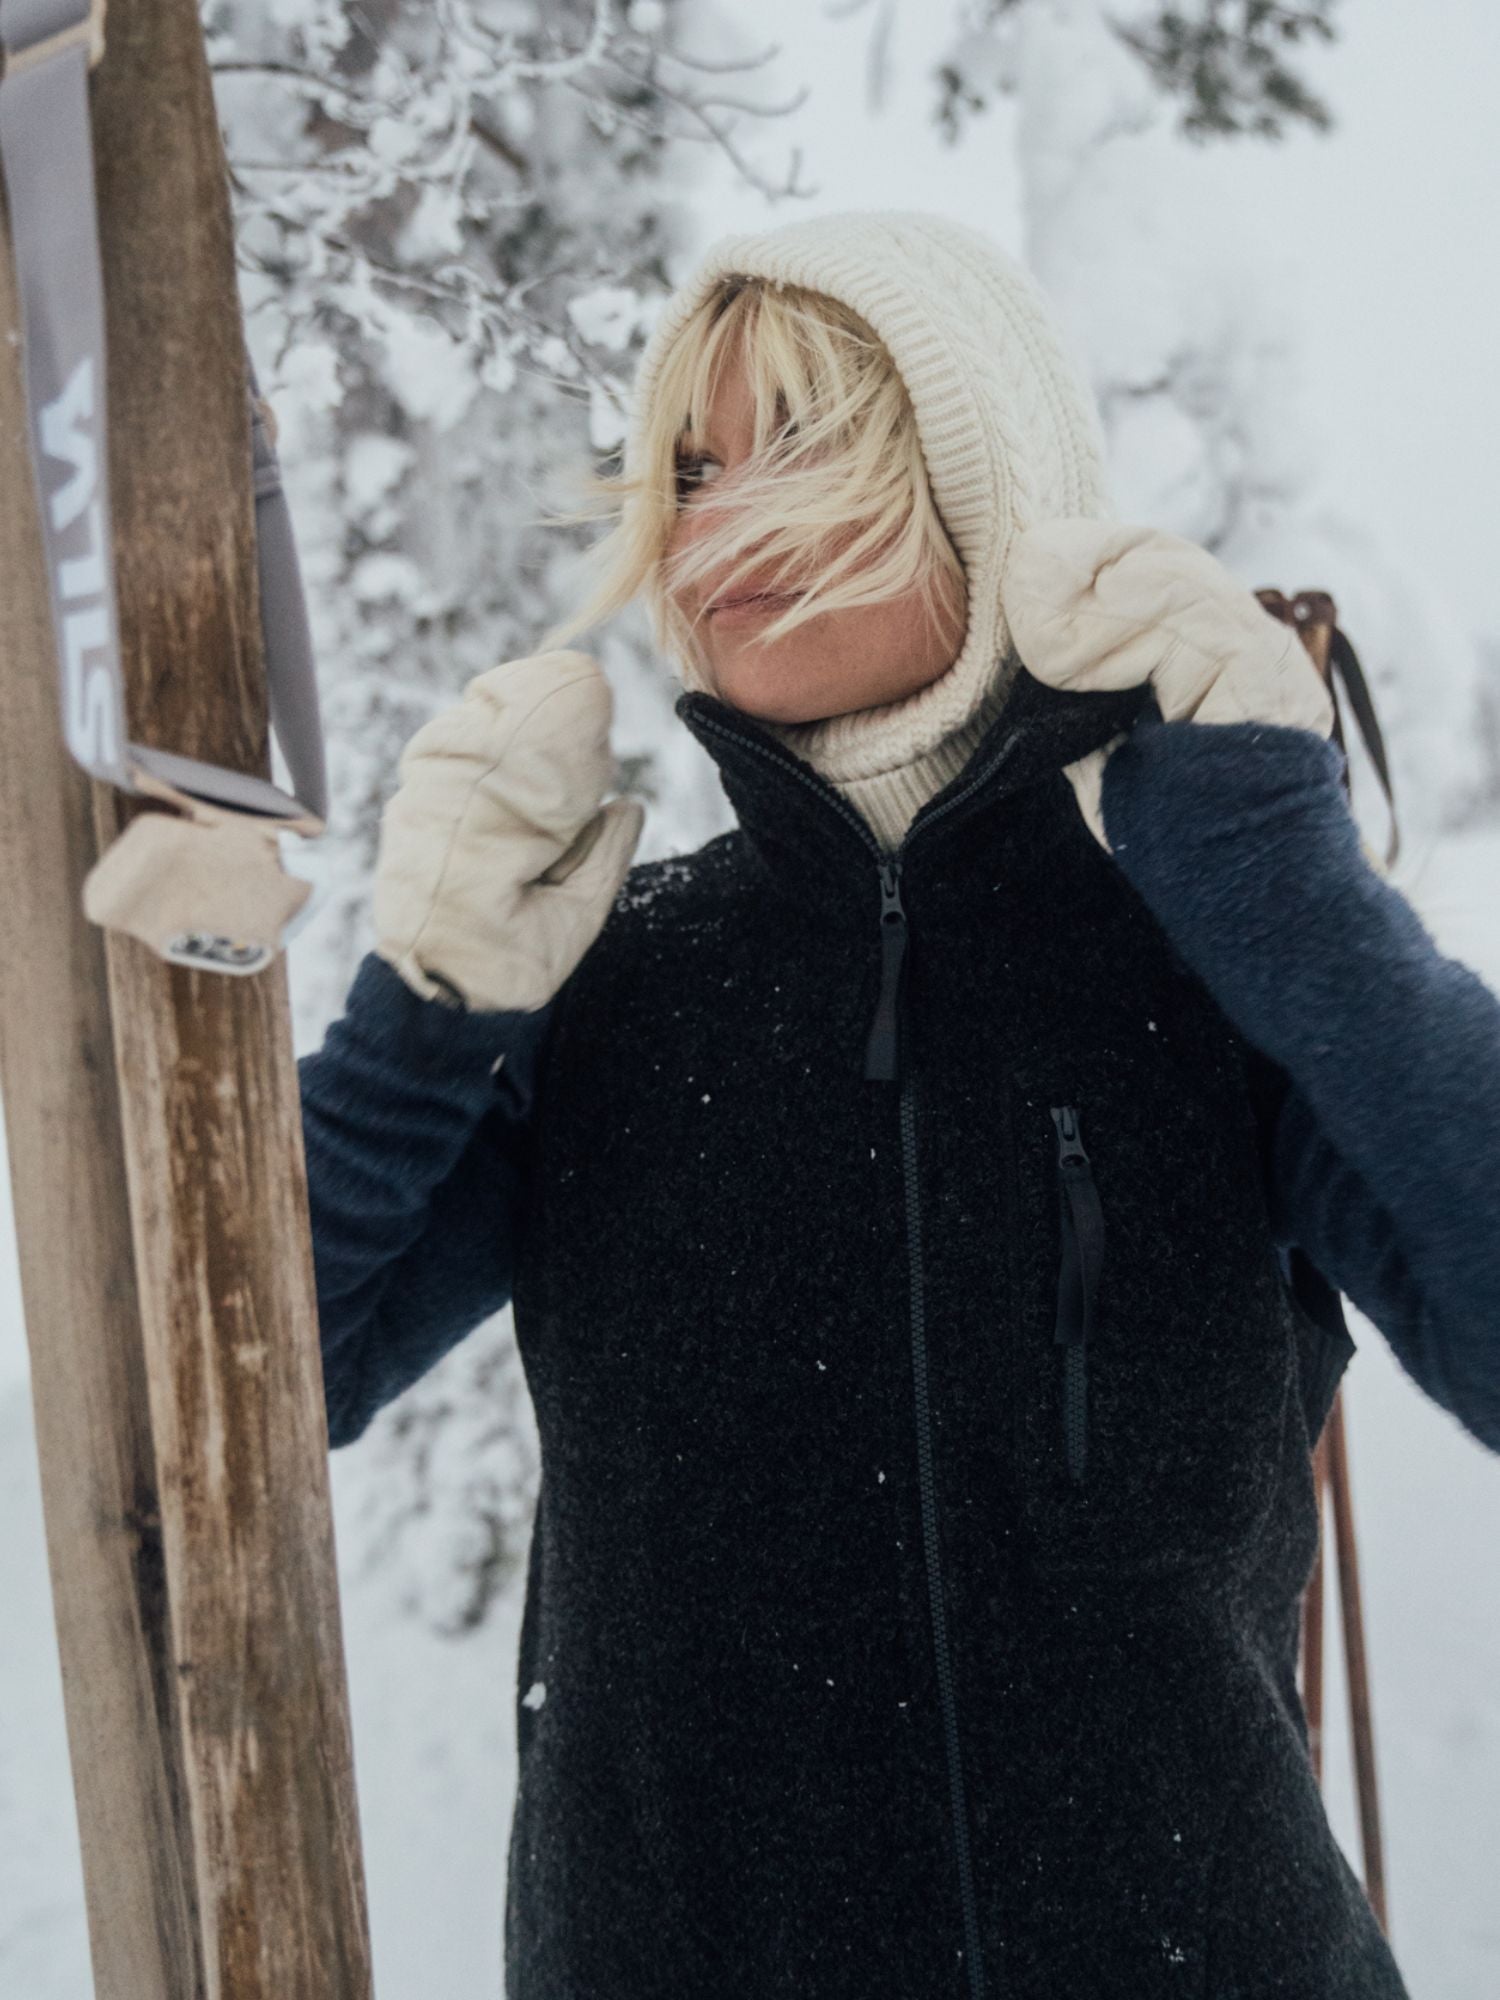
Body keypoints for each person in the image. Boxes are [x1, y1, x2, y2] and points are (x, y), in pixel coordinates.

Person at [298, 210, 1500, 1998]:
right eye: (688, 468)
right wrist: (422, 1017)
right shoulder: (616, 982)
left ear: (984, 480)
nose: (717, 525)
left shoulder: (1201, 958)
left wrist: (1283, 889)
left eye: (801, 445)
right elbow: (251, 1389)